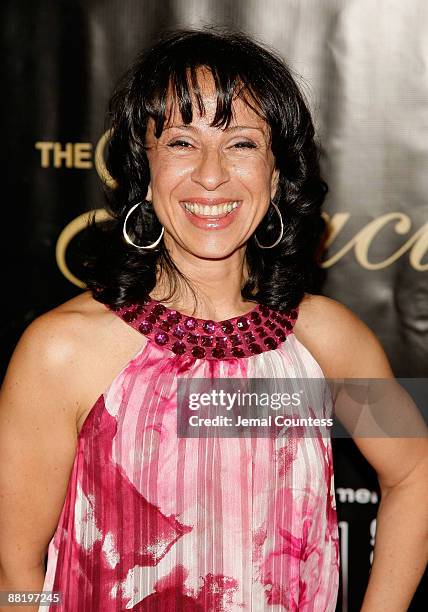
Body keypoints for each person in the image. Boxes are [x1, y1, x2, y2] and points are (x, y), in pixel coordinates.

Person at [0, 28, 427, 612]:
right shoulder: (63, 351)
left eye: (242, 144)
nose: (210, 174)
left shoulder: (326, 339)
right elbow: (15, 569)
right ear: (143, 171)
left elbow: (416, 471)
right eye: (180, 142)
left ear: (276, 174)